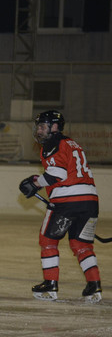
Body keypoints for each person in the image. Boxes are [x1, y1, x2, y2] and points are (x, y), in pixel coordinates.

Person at [18, 110, 101, 303]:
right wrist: (38, 179)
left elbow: (58, 174)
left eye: (42, 126)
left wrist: (36, 183)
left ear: (54, 127)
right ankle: (94, 285)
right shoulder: (72, 143)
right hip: (90, 201)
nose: (39, 130)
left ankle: (50, 285)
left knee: (47, 240)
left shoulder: (52, 143)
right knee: (81, 245)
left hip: (67, 201)